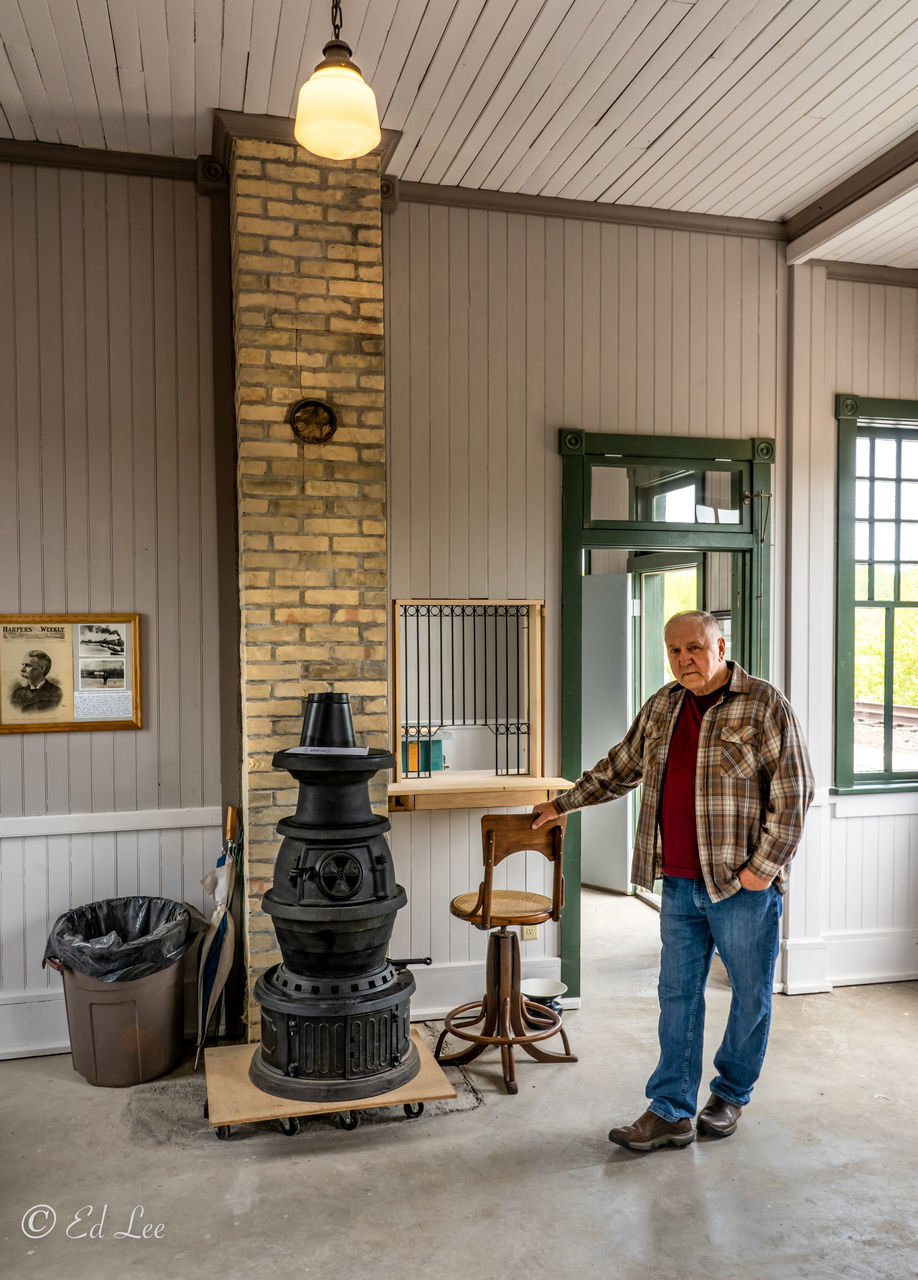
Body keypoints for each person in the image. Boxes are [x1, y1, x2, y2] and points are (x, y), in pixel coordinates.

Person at [531, 610, 814, 1151]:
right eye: (674, 650)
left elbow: (794, 792)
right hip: (678, 884)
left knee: (750, 996)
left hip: (740, 886)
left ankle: (730, 1093)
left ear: (720, 645)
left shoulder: (763, 703)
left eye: (694, 648)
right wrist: (564, 802)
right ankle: (671, 1109)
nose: (684, 659)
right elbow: (620, 766)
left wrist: (763, 869)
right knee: (678, 995)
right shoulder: (663, 704)